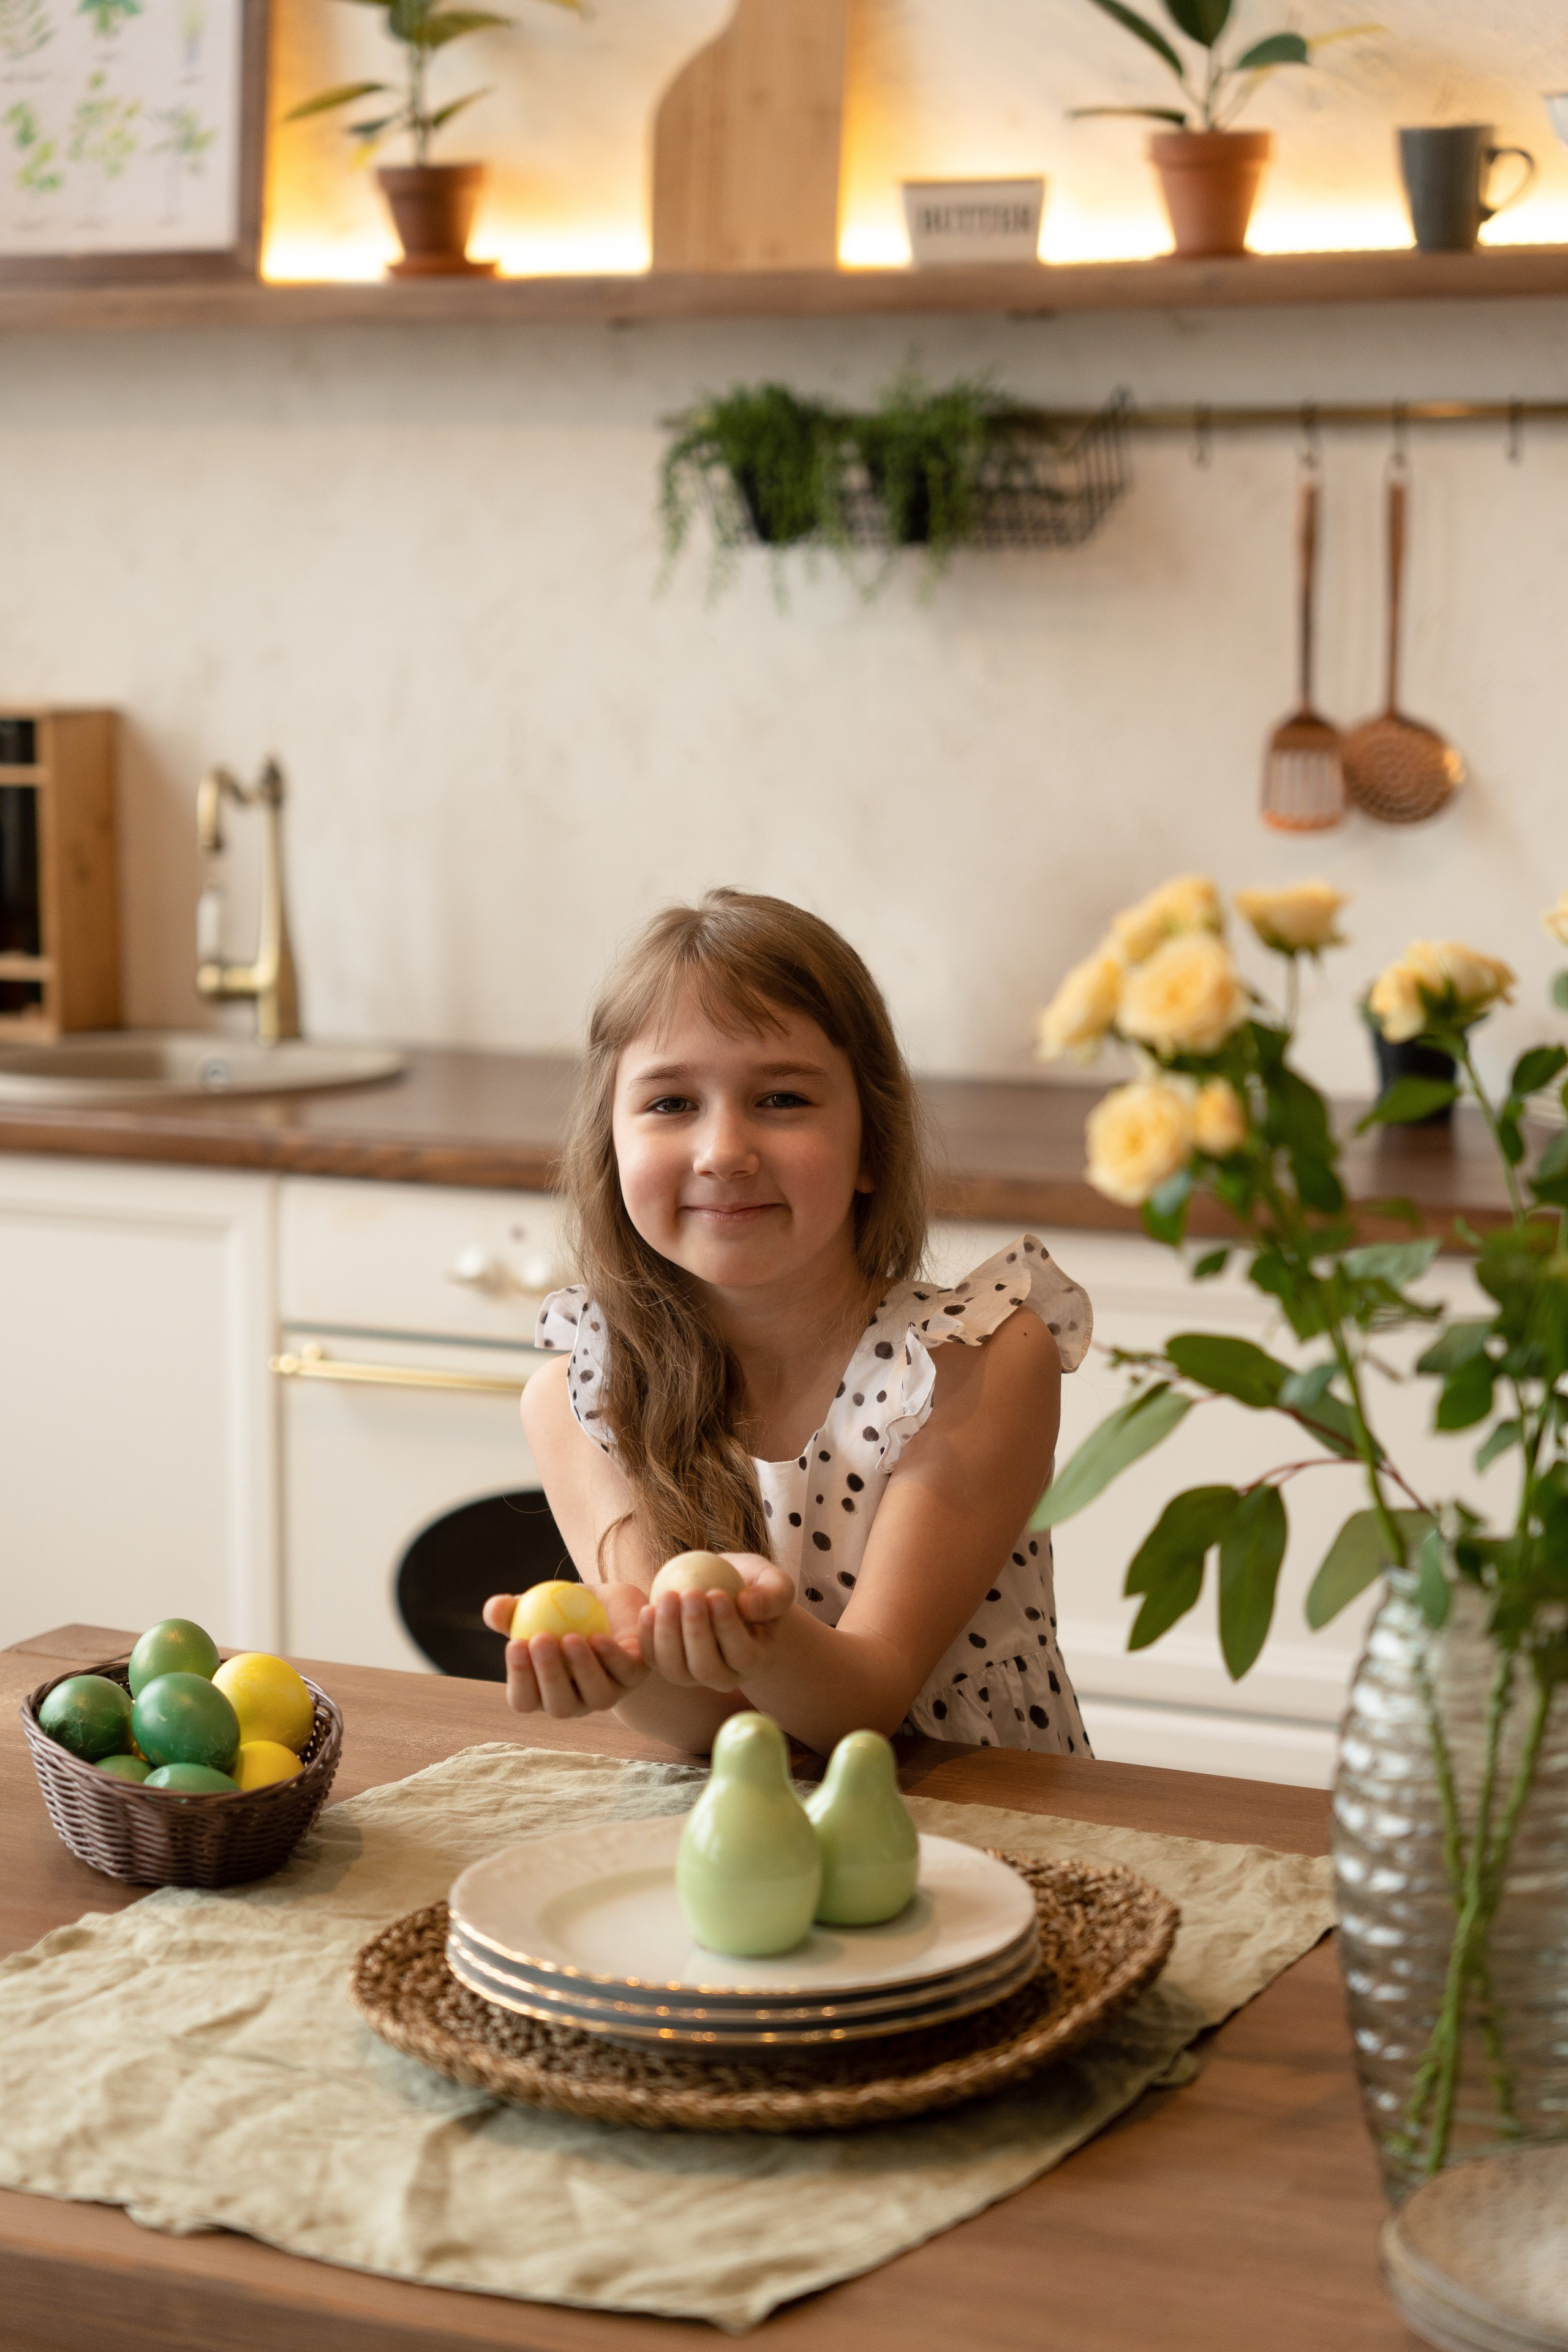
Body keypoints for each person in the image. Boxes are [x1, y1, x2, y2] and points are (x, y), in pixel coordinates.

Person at [482, 888, 1093, 1757]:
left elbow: (868, 1699)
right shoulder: (583, 1400)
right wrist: (623, 1676)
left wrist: (744, 1621)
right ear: (609, 1145)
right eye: (669, 1104)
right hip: (741, 1834)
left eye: (781, 1100)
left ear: (872, 1146)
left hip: (983, 1821)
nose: (723, 1151)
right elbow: (703, 1727)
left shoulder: (975, 1360)